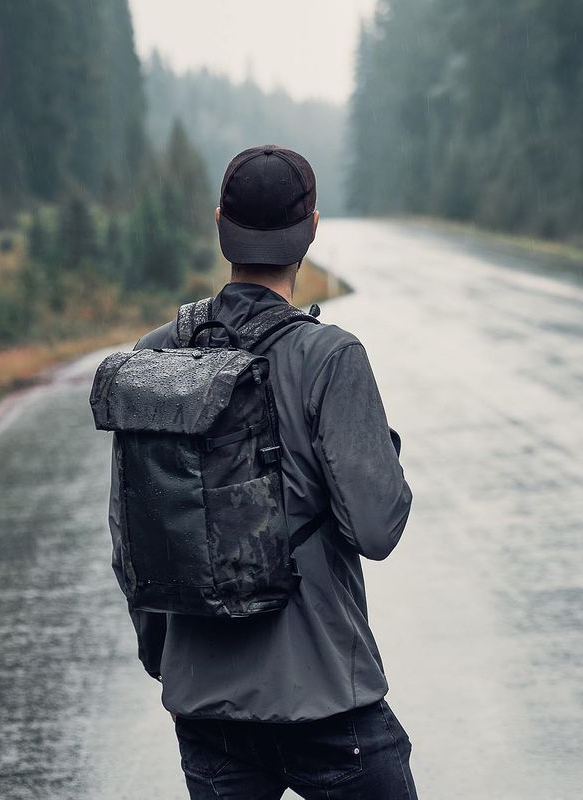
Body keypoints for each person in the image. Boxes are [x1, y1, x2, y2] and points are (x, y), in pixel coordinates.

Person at [107, 145, 417, 799]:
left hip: (206, 710)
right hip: (326, 701)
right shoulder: (330, 358)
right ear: (311, 229)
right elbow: (378, 527)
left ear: (221, 225)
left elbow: (136, 536)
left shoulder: (156, 355)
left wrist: (170, 663)